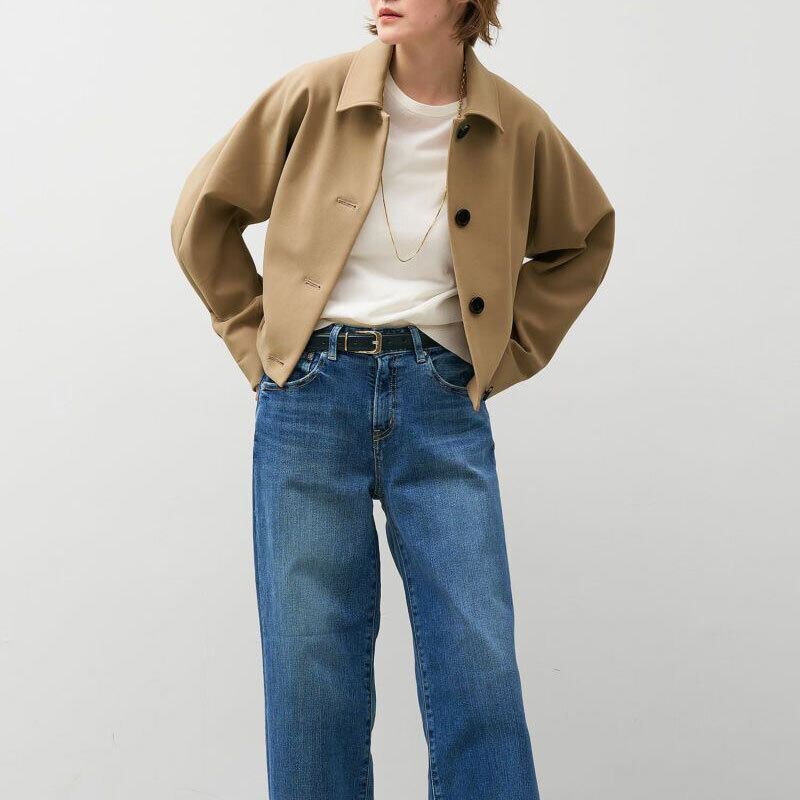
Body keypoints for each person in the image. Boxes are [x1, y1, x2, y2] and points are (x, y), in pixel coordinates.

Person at [170, 1, 615, 797]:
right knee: (311, 667)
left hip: (441, 404)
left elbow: (583, 239)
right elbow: (201, 216)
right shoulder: (315, 94)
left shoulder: (514, 124)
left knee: (478, 659)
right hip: (310, 401)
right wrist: (258, 342)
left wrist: (503, 353)